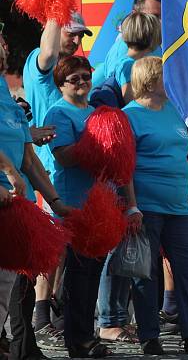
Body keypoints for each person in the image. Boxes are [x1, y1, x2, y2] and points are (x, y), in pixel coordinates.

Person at [123, 57, 188, 356]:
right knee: (146, 274)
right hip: (146, 207)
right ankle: (149, 336)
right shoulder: (129, 116)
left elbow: (185, 161)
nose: (171, 81)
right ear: (151, 79)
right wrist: (131, 205)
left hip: (178, 207)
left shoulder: (174, 111)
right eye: (165, 76)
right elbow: (125, 168)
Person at [21, 13, 91, 351]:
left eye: (80, 36)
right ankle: (40, 315)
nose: (76, 42)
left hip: (65, 172)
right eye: (70, 34)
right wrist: (54, 6)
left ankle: (50, 311)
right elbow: (48, 52)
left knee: (65, 248)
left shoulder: (73, 69)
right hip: (45, 169)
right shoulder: (41, 63)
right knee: (52, 246)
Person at [1, 41, 73, 360]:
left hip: (20, 207)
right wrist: (7, 173)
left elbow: (30, 161)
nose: (4, 47)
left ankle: (21, 347)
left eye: (4, 45)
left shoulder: (9, 100)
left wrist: (56, 203)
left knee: (18, 287)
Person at [93, 10, 161, 344]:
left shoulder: (116, 56)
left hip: (120, 162)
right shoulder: (129, 67)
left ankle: (114, 317)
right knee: (116, 247)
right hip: (121, 163)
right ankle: (109, 319)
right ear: (151, 36)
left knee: (121, 244)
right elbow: (131, 108)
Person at [44, 56, 114, 358]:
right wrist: (101, 140)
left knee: (92, 275)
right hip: (72, 204)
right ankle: (78, 340)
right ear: (62, 84)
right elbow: (65, 157)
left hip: (98, 204)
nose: (83, 82)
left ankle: (87, 335)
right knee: (79, 276)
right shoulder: (58, 112)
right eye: (75, 79)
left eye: (86, 76)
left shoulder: (95, 111)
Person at [91, 0, 162, 89]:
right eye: (154, 16)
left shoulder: (155, 46)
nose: (161, 22)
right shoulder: (122, 49)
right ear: (135, 15)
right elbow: (120, 98)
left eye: (163, 17)